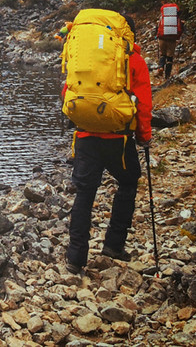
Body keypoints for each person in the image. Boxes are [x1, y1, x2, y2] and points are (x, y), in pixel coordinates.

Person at [64, 14, 153, 268]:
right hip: (119, 139)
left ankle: (75, 257)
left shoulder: (84, 57)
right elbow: (144, 103)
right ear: (128, 35)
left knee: (84, 193)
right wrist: (144, 137)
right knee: (127, 182)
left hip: (85, 135)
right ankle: (114, 244)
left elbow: (68, 89)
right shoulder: (133, 59)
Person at [156, 3, 183, 80]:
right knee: (169, 57)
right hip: (172, 39)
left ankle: (160, 67)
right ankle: (167, 77)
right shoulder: (176, 18)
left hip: (162, 38)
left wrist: (157, 36)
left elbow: (158, 28)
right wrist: (178, 37)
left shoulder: (162, 17)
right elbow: (180, 29)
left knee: (162, 55)